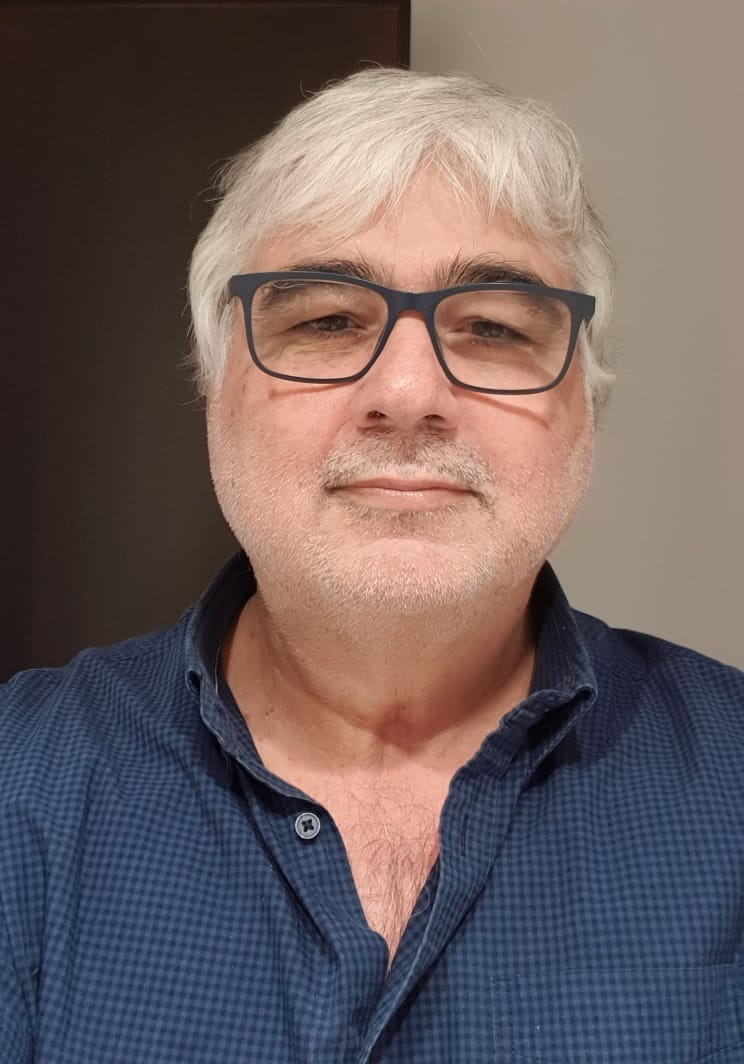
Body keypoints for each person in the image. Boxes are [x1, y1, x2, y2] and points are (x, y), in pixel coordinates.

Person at [1, 68, 742, 1064]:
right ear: (214, 388)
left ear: (585, 410)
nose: (407, 390)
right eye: (325, 320)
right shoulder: (19, 786)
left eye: (493, 327)